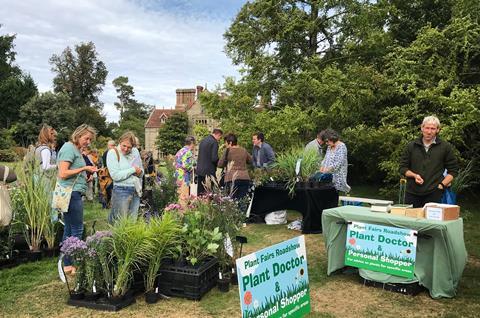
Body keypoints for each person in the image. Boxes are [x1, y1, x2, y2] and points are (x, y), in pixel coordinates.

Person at [57, 124, 98, 274]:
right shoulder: (69, 148)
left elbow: (71, 173)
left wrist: (84, 178)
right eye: (86, 138)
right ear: (78, 135)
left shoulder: (75, 149)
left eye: (90, 140)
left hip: (73, 192)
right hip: (70, 193)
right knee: (77, 228)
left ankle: (66, 262)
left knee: (69, 228)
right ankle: (70, 262)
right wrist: (84, 169)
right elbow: (63, 173)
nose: (88, 142)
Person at [399, 115, 459, 208]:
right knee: (410, 221)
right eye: (427, 128)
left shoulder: (445, 147)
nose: (429, 132)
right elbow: (403, 168)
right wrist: (414, 175)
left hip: (434, 194)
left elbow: (453, 170)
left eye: (433, 129)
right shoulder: (411, 146)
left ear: (438, 130)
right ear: (422, 128)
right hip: (412, 193)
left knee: (431, 222)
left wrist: (442, 185)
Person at [107, 131, 144, 224]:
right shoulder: (113, 153)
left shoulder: (135, 152)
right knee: (121, 222)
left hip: (136, 189)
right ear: (120, 141)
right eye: (124, 146)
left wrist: (140, 172)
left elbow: (141, 171)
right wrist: (133, 170)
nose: (126, 149)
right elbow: (115, 176)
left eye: (129, 147)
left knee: (132, 221)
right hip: (121, 190)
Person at [218, 133, 252, 201]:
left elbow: (220, 164)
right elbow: (250, 160)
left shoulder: (227, 151)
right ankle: (242, 211)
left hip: (232, 178)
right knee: (242, 201)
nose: (225, 145)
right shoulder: (243, 150)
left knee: (232, 201)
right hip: (245, 178)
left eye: (225, 143)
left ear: (230, 142)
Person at [320, 129, 351, 193]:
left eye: (327, 141)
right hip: (327, 177)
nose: (326, 143)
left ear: (332, 138)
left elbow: (338, 163)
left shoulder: (342, 146)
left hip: (337, 177)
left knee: (334, 194)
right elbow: (325, 159)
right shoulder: (329, 147)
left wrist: (327, 170)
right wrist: (321, 168)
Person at [196, 128, 223, 195]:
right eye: (220, 137)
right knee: (210, 192)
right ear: (218, 135)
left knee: (201, 192)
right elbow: (214, 158)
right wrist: (220, 164)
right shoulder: (214, 142)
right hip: (209, 171)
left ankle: (199, 204)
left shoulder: (203, 140)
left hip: (200, 170)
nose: (219, 139)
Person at [175, 136, 196, 207]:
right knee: (184, 197)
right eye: (194, 144)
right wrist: (193, 167)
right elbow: (186, 165)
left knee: (179, 196)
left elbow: (176, 163)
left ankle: (178, 212)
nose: (194, 146)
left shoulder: (180, 151)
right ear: (192, 143)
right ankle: (183, 214)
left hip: (178, 176)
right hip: (184, 177)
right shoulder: (188, 152)